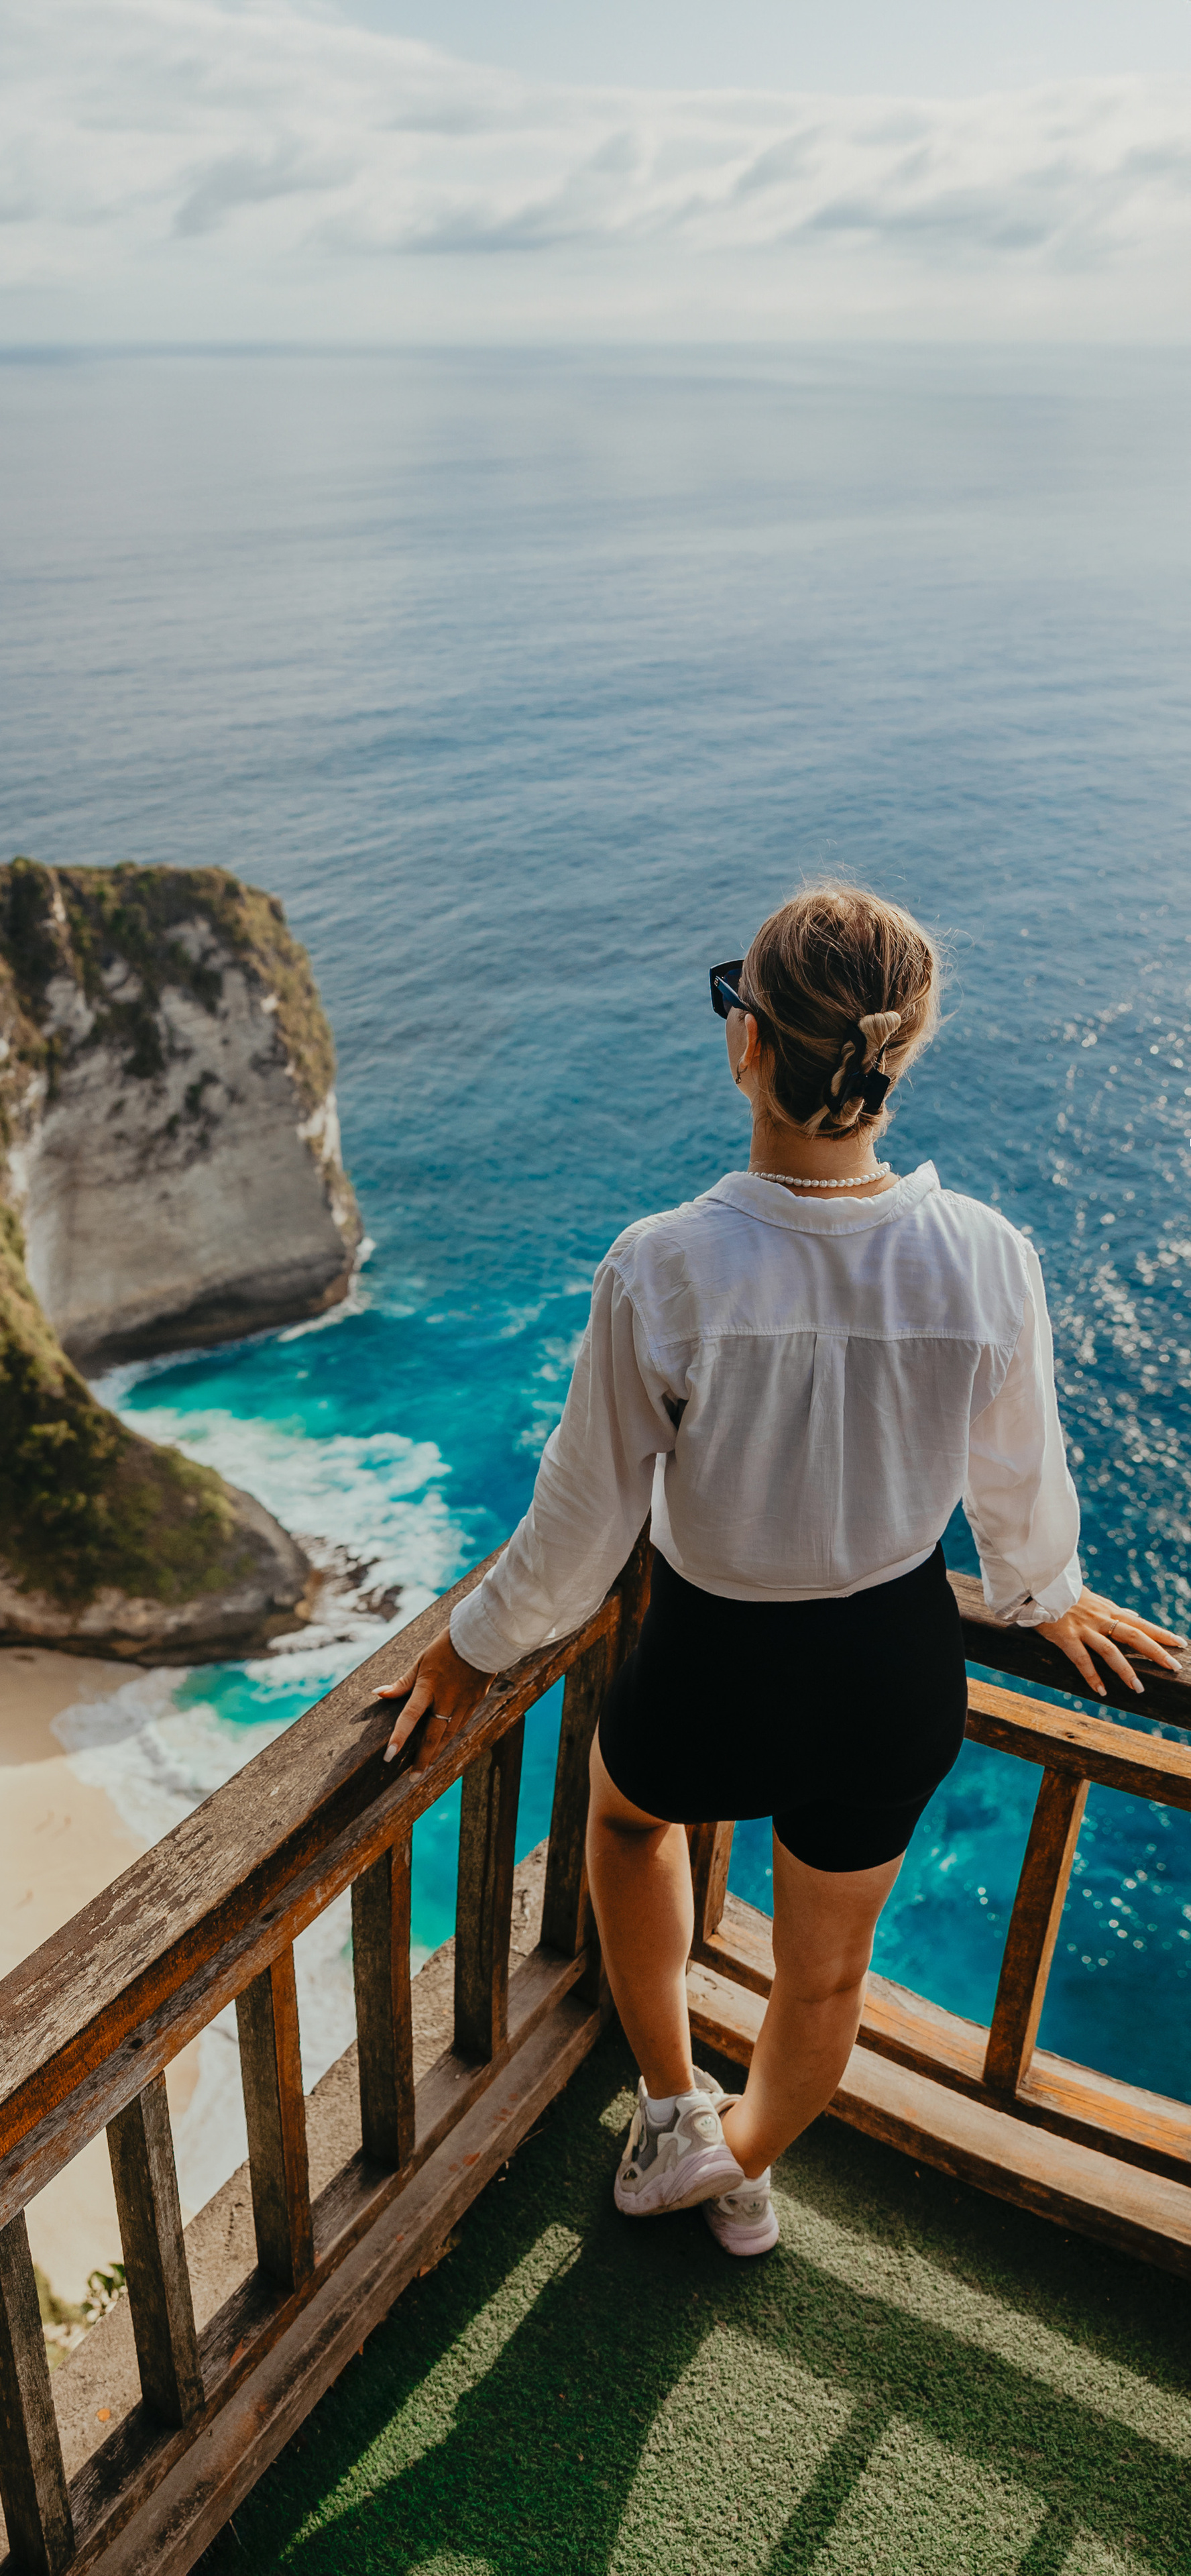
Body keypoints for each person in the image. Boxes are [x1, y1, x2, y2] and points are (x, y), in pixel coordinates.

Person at [376, 882, 1184, 2258]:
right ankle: (741, 2170)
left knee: (630, 1828)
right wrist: (1042, 1595)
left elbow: (577, 1532)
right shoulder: (985, 1255)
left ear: (744, 1043)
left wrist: (466, 1646)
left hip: (711, 1659)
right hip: (891, 1668)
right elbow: (1015, 1481)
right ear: (898, 1056)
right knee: (824, 1979)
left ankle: (674, 2110)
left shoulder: (665, 1268)